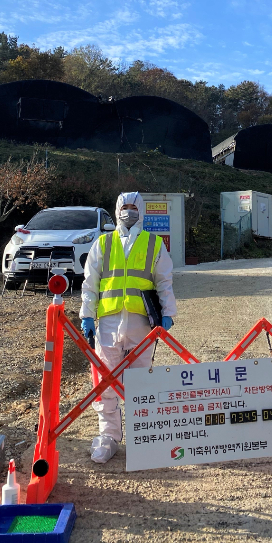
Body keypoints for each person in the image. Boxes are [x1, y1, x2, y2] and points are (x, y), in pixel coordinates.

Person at [79, 192, 177, 463]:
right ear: (117, 209)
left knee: (140, 382)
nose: (129, 212)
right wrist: (87, 315)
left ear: (141, 211)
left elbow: (164, 281)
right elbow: (90, 283)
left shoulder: (153, 243)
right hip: (108, 322)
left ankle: (140, 435)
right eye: (125, 207)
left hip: (142, 323)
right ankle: (108, 436)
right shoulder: (103, 243)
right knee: (105, 381)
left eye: (134, 208)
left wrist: (168, 313)